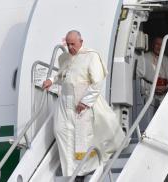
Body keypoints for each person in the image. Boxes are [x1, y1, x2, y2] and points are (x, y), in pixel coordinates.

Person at [42, 30, 124, 181]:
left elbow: (97, 82)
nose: (70, 47)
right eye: (68, 44)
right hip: (65, 101)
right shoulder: (64, 57)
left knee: (82, 138)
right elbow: (61, 74)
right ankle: (70, 172)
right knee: (61, 131)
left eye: (73, 44)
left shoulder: (91, 56)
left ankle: (83, 171)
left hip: (83, 101)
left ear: (81, 42)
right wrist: (51, 81)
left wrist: (86, 101)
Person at [137, 36, 168, 129]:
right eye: (157, 44)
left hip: (163, 96)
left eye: (161, 45)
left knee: (162, 123)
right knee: (148, 122)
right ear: (152, 45)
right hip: (148, 94)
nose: (159, 47)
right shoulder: (144, 57)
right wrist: (151, 89)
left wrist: (165, 88)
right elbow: (139, 79)